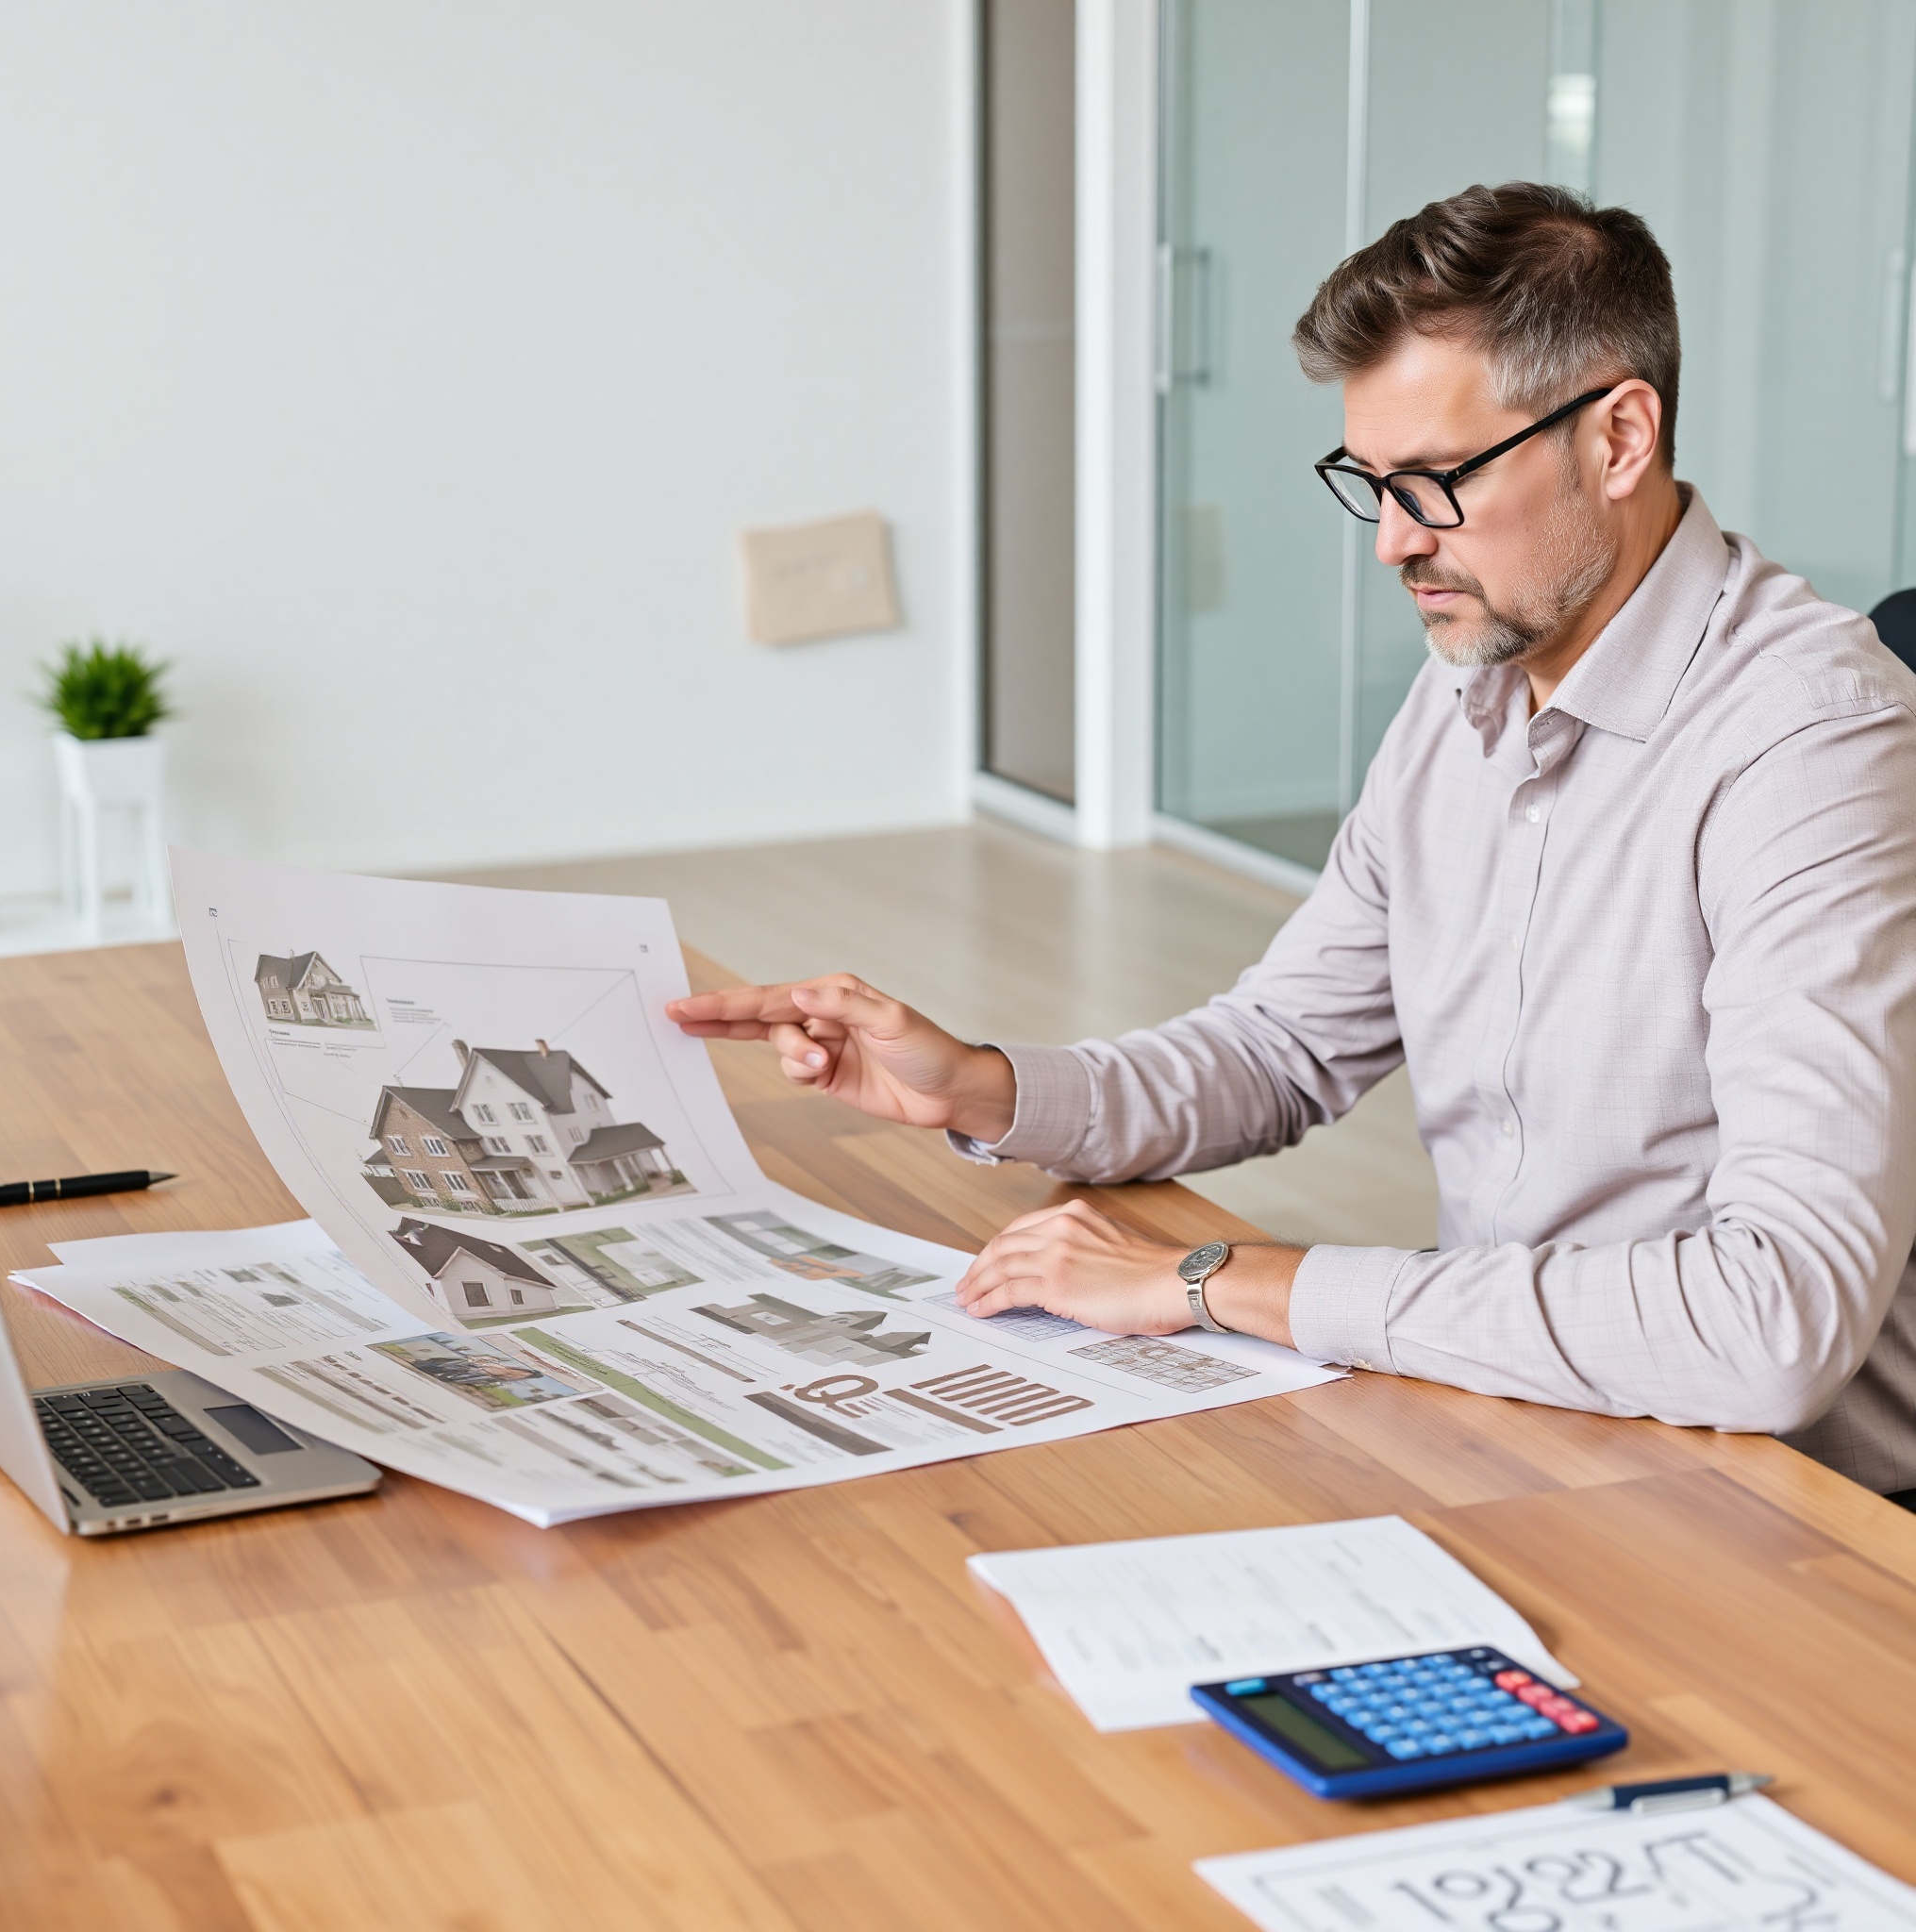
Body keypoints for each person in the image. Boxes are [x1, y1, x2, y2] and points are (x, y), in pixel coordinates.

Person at [671, 182, 1916, 1506]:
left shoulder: (1813, 744)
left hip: (1784, 1513)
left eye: (1436, 482)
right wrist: (979, 1087)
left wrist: (1223, 1282)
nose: (1392, 543)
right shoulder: (1475, 687)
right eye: (1370, 485)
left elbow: (1771, 1325)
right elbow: (1282, 1050)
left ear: (1617, 437)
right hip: (1528, 1424)